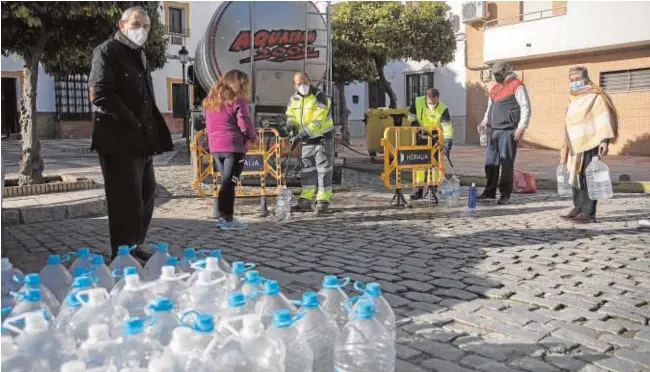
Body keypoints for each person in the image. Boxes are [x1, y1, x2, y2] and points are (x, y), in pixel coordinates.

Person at [88, 6, 173, 263]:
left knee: (147, 196)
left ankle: (134, 245)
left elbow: (145, 97)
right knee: (126, 200)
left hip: (141, 141)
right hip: (118, 140)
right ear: (121, 24)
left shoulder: (140, 55)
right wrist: (132, 121)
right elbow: (100, 93)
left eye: (146, 26)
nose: (142, 30)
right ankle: (121, 254)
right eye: (137, 24)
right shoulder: (106, 52)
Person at [560, 66, 617, 223]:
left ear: (585, 78)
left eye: (577, 79)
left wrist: (604, 140)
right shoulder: (573, 96)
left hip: (590, 141)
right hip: (575, 143)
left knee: (588, 177)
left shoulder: (595, 96)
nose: (574, 83)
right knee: (576, 175)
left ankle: (589, 212)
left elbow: (603, 118)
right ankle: (578, 207)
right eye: (571, 80)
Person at [204, 69, 258, 230]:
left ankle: (223, 217)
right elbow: (245, 122)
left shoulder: (211, 101)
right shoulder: (238, 100)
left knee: (226, 182)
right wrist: (253, 137)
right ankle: (227, 219)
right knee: (229, 183)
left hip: (216, 147)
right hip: (233, 146)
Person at [477, 61, 531, 205]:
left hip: (508, 131)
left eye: (499, 74)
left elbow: (525, 106)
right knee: (490, 163)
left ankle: (505, 194)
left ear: (507, 71)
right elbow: (490, 108)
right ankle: (489, 192)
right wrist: (484, 122)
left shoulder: (517, 85)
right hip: (494, 131)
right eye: (495, 74)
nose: (497, 77)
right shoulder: (494, 89)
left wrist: (521, 127)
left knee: (506, 163)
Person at [286, 72, 334, 214]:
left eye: (304, 82)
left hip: (322, 138)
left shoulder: (320, 96)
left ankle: (322, 202)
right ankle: (305, 201)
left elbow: (318, 121)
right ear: (294, 84)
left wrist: (301, 134)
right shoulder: (293, 98)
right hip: (306, 140)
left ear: (309, 80)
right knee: (307, 170)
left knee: (323, 170)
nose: (302, 86)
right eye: (299, 84)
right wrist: (290, 127)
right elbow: (290, 115)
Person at [407, 88, 453, 200]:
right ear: (425, 98)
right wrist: (415, 125)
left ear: (438, 98)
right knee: (420, 164)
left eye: (434, 101)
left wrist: (447, 144)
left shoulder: (442, 108)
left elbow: (447, 127)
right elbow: (411, 115)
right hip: (421, 137)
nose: (432, 104)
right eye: (429, 101)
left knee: (435, 166)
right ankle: (418, 190)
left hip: (435, 139)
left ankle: (433, 189)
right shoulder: (418, 102)